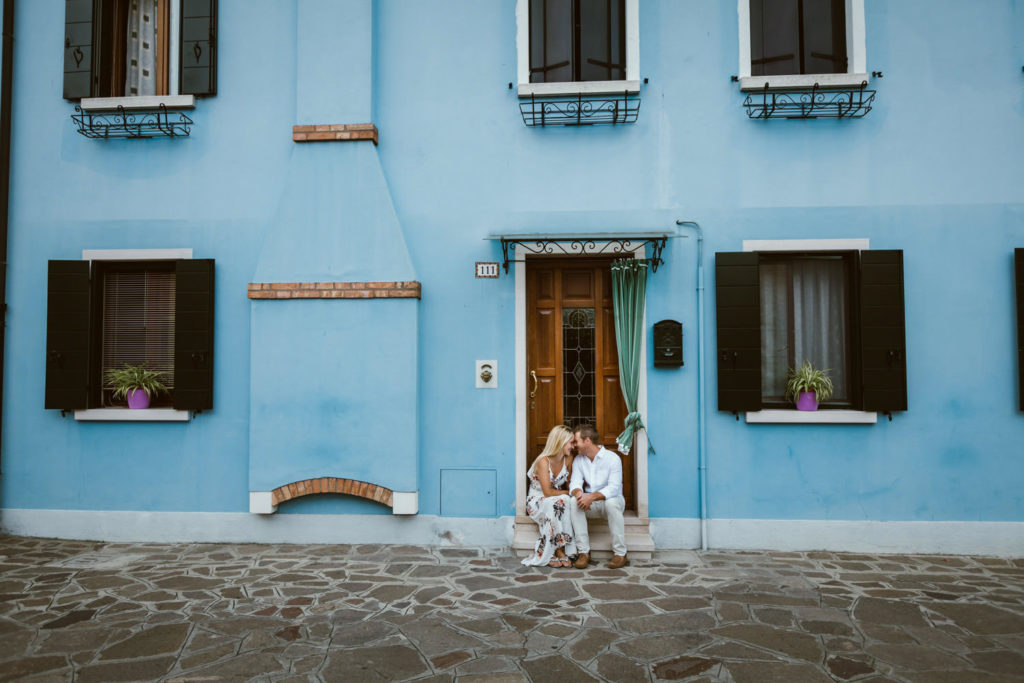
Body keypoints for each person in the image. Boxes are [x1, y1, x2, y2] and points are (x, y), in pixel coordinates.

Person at [568, 423, 628, 569]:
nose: (574, 445)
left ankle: (620, 553)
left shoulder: (612, 458)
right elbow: (574, 483)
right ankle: (584, 552)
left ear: (587, 441)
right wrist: (579, 494)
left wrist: (592, 497)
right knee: (573, 501)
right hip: (590, 505)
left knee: (611, 502)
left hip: (611, 503)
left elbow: (613, 488)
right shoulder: (579, 460)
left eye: (576, 441)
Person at [521, 425, 578, 568]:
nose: (573, 446)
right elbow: (547, 492)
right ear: (560, 442)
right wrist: (569, 493)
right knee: (558, 501)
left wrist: (573, 492)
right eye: (571, 442)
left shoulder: (569, 459)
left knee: (562, 501)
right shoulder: (543, 461)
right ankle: (556, 550)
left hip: (556, 498)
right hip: (537, 500)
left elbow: (570, 485)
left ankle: (558, 548)